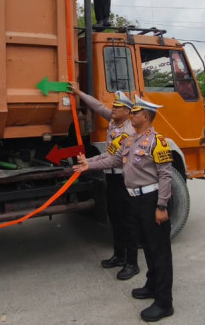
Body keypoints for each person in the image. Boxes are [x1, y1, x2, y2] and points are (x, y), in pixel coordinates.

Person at [74, 97, 174, 322]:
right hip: (135, 200)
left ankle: (164, 302)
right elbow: (113, 159)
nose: (131, 115)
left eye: (135, 112)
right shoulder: (129, 140)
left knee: (160, 251)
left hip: (151, 200)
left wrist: (162, 205)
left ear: (146, 117)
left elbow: (166, 176)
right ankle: (151, 285)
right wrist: (89, 164)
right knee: (147, 246)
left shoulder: (158, 142)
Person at [70, 82, 140, 280]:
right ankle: (119, 255)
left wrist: (88, 165)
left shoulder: (128, 130)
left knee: (127, 221)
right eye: (114, 106)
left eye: (117, 107)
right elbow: (98, 106)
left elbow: (115, 158)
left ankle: (132, 263)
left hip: (124, 179)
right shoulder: (114, 120)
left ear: (127, 111)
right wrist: (79, 92)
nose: (112, 109)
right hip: (111, 177)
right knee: (115, 216)